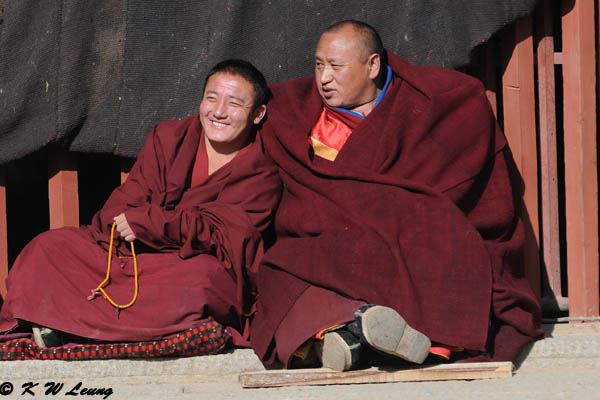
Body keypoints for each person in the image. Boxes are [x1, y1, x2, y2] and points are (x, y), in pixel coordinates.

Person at [250, 20, 544, 371]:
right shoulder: (296, 112)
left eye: (335, 67)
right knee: (282, 267)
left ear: (373, 65)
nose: (323, 78)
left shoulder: (434, 104)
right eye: (318, 65)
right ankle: (366, 328)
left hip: (412, 235)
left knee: (436, 249)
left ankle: (351, 334)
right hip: (330, 236)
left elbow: (458, 194)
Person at [0, 59, 281, 351]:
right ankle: (90, 326)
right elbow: (127, 199)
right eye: (211, 98)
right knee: (49, 247)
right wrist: (129, 224)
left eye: (234, 103)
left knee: (202, 281)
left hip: (184, 265)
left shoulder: (262, 174)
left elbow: (228, 238)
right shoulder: (169, 138)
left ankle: (65, 324)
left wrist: (155, 225)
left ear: (258, 114)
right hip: (136, 253)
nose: (219, 111)